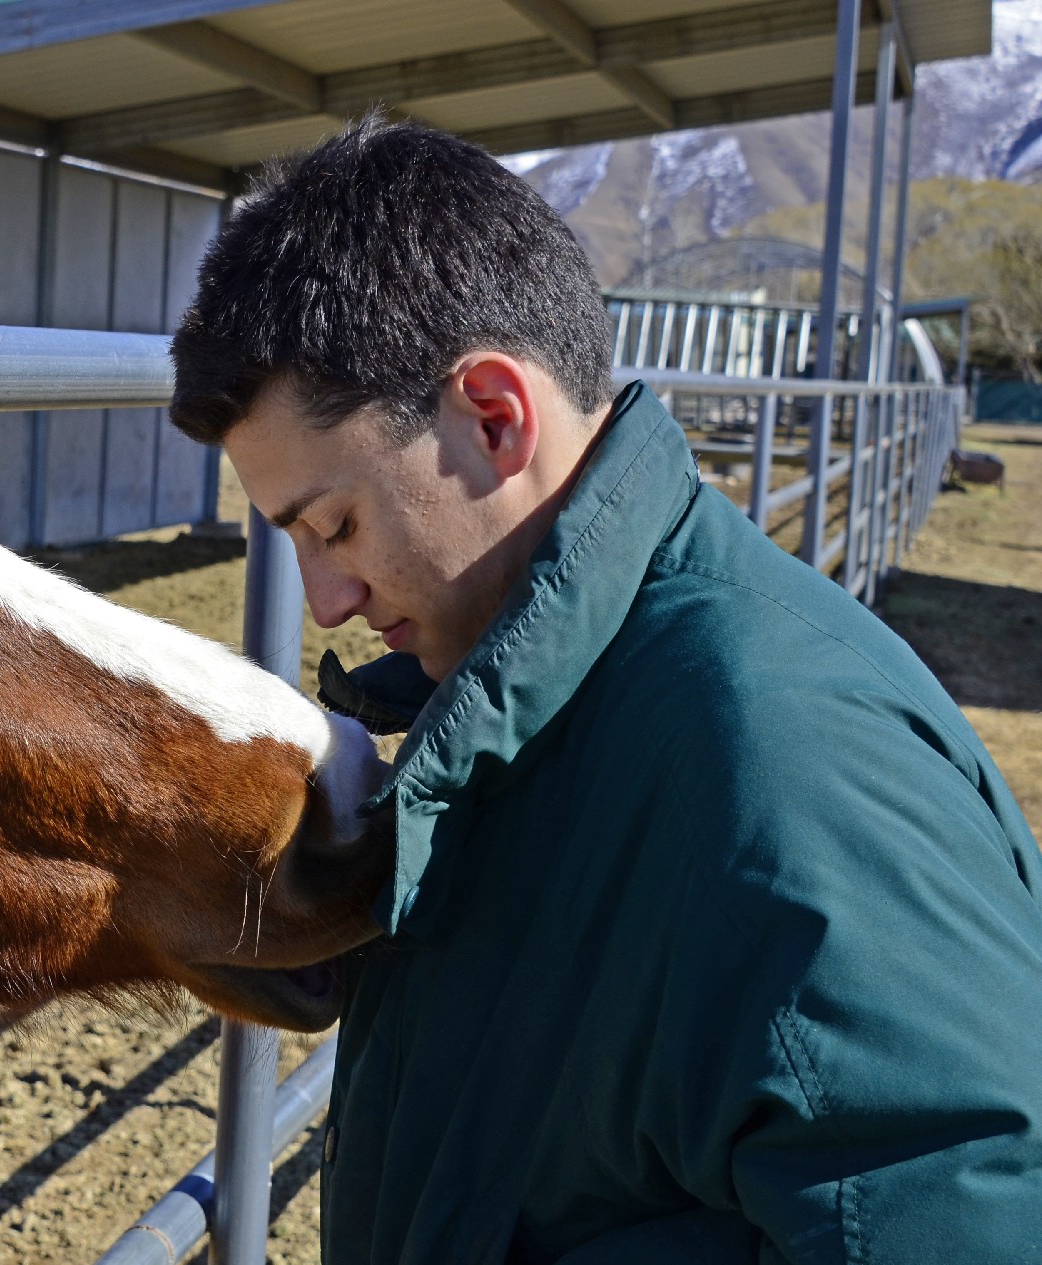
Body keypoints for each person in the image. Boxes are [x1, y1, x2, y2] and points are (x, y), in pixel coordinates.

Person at [169, 116, 1042, 1263]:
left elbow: (961, 1210)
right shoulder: (531, 704)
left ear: (492, 415)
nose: (323, 599)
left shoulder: (778, 765)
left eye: (332, 523)